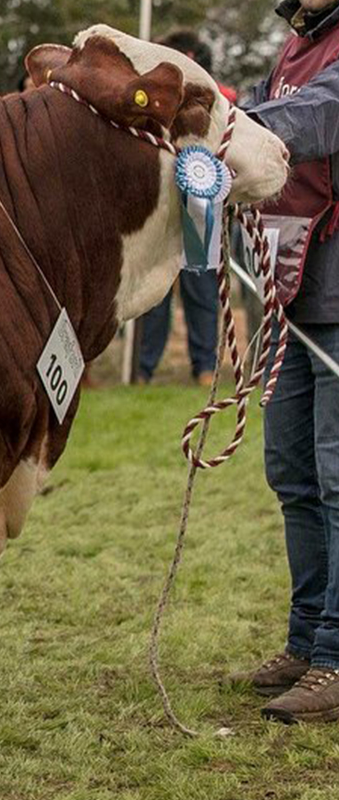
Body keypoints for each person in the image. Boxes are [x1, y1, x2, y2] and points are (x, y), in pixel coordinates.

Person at [227, 0, 339, 724]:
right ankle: (306, 640)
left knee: (338, 479)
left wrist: (229, 131)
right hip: (290, 289)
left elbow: (321, 114)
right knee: (293, 474)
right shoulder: (298, 43)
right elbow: (265, 104)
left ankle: (336, 655)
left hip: (336, 292)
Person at [135, 31, 223, 387]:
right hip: (157, 211)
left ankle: (204, 366)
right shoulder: (148, 108)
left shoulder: (220, 105)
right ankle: (144, 367)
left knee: (201, 288)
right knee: (154, 292)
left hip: (201, 210)